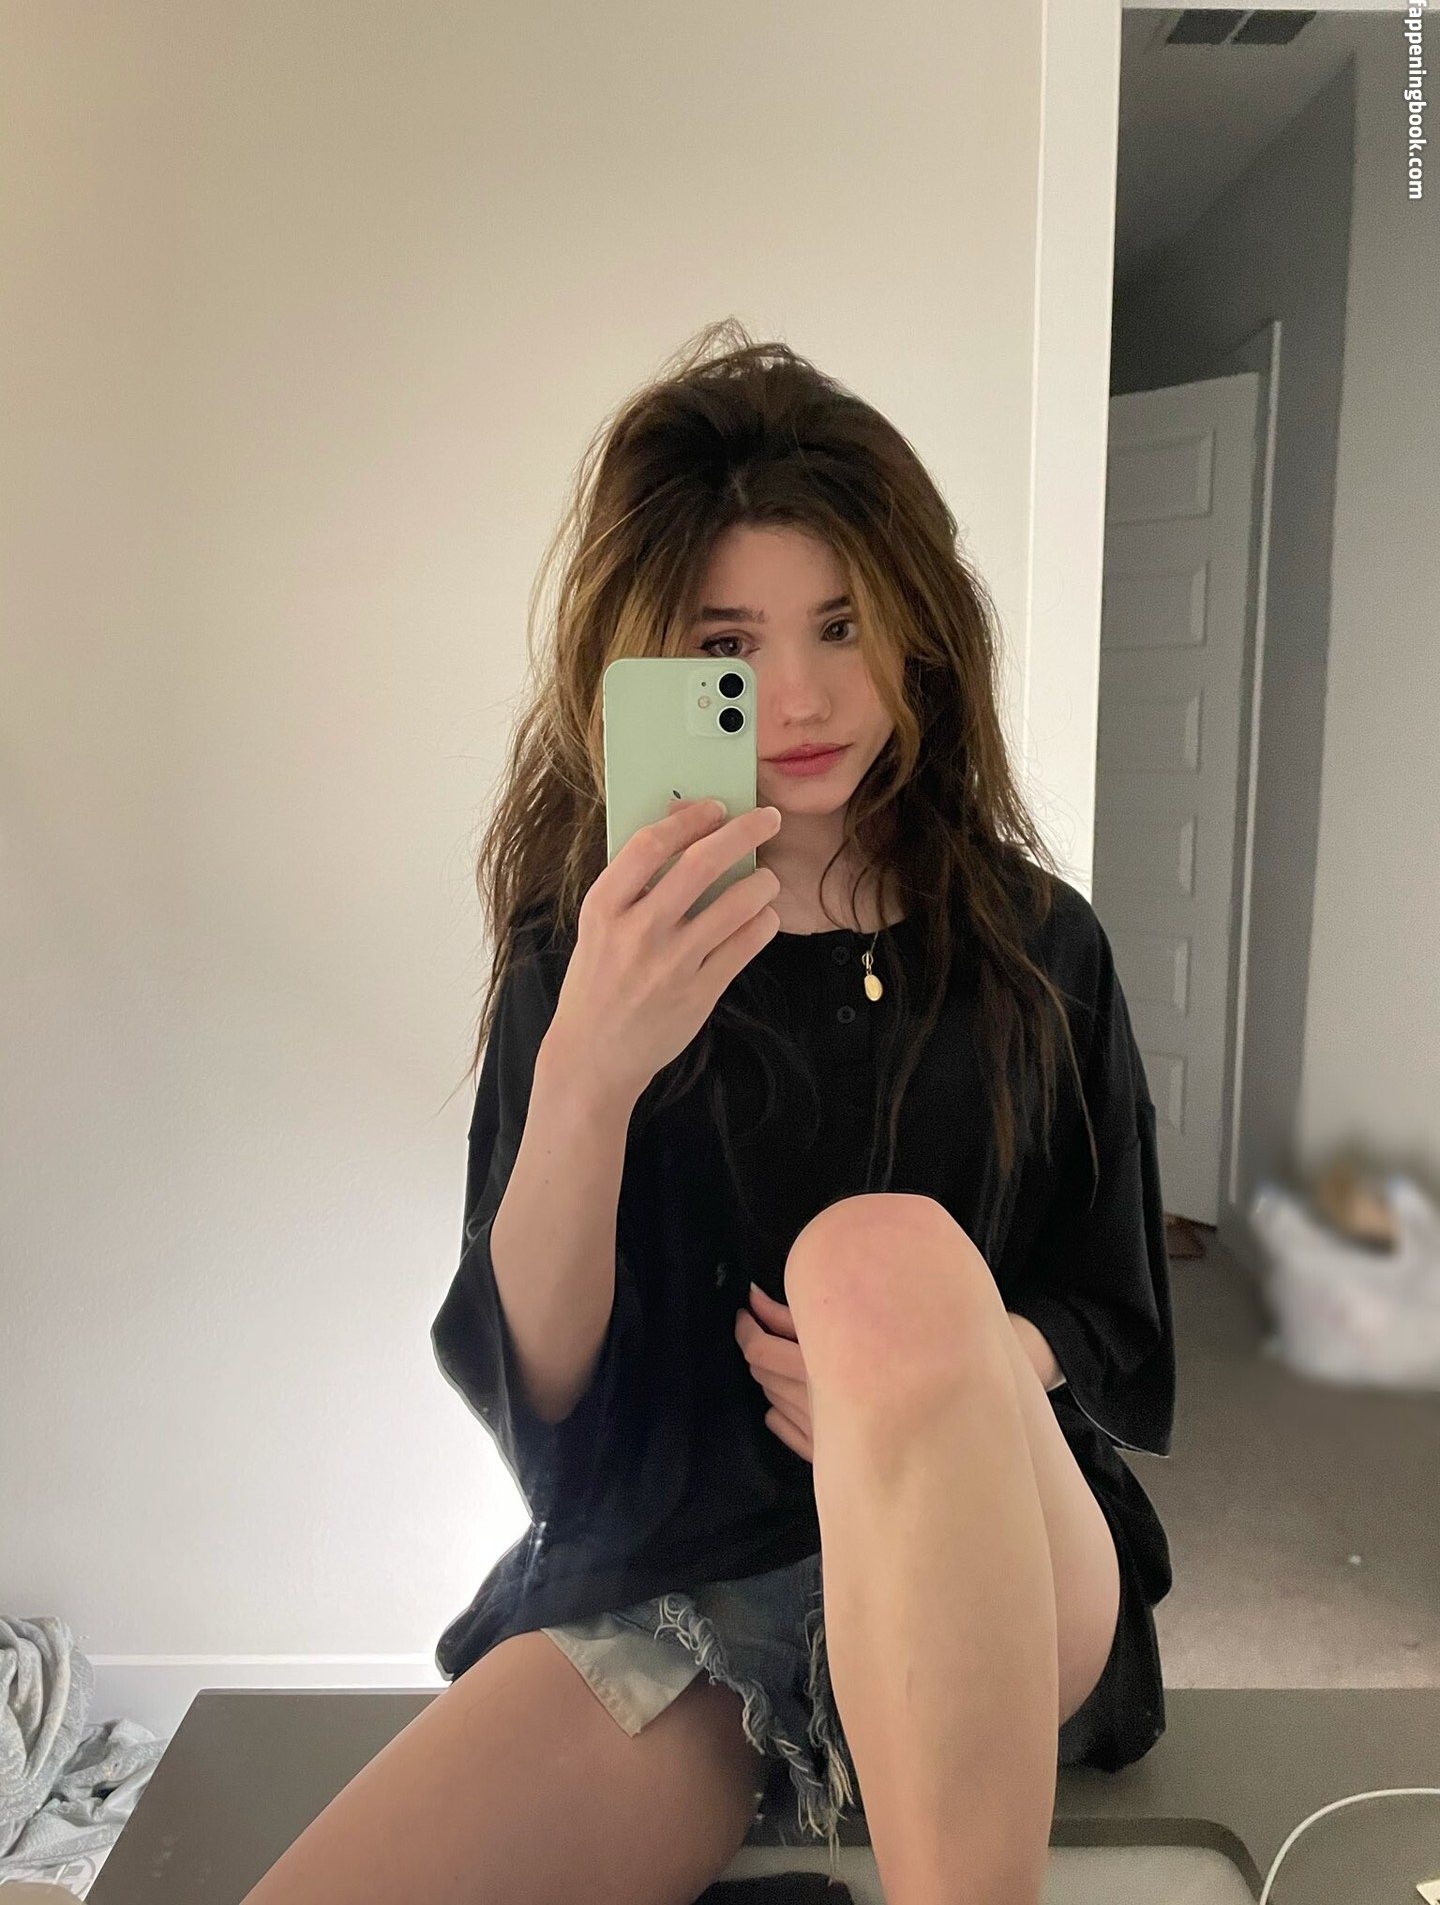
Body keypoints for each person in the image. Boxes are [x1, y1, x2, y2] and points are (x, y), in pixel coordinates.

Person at [239, 320, 1175, 1905]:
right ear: (652, 671)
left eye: (841, 624)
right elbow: (540, 1385)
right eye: (728, 647)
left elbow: (1113, 1325)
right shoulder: (590, 947)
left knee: (881, 1263)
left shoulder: (1039, 948)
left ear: (919, 628)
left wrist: (931, 1371)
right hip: (692, 1594)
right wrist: (591, 1072)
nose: (798, 694)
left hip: (1002, 1561)